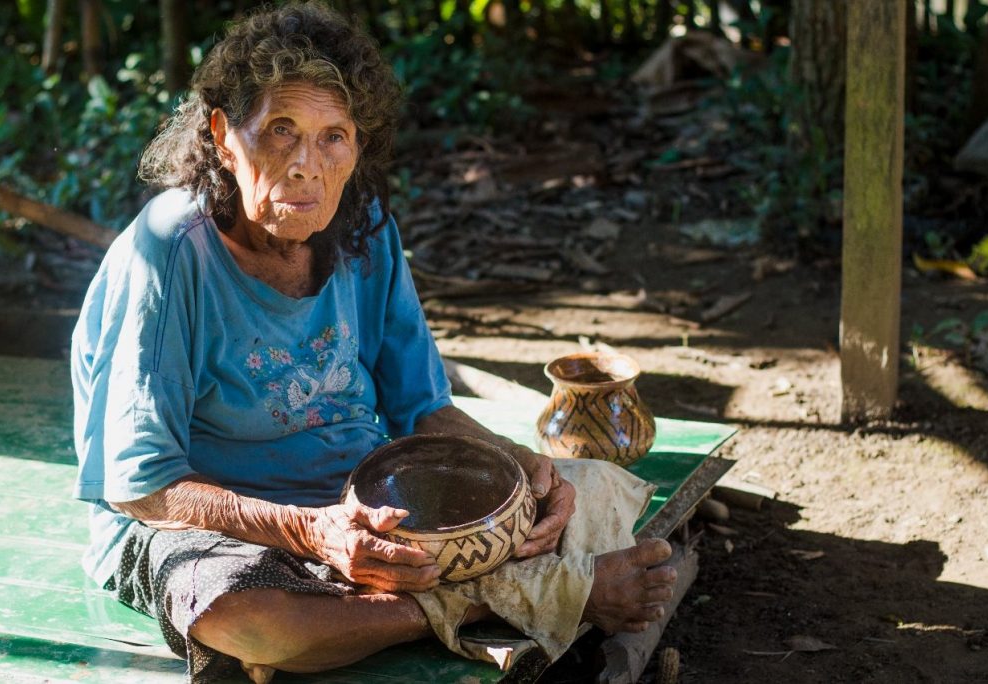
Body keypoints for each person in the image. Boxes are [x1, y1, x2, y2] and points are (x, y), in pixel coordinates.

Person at [71, 4, 676, 682]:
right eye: (280, 130)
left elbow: (422, 410)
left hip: (365, 511)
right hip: (215, 524)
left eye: (334, 137)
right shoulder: (171, 251)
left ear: (358, 145)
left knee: (581, 489)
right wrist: (309, 532)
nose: (308, 165)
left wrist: (521, 466)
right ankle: (495, 601)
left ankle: (455, 597)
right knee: (252, 618)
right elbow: (142, 487)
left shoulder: (364, 228)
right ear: (222, 135)